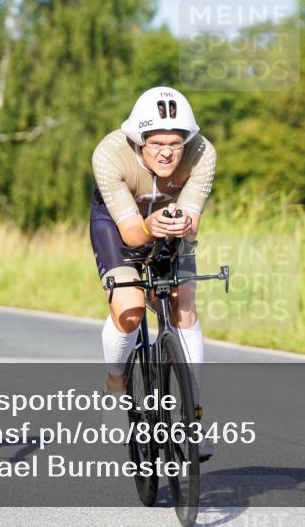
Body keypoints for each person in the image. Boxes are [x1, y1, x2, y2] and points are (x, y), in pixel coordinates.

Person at [90, 86, 217, 461]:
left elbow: (191, 223)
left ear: (186, 141)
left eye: (175, 144)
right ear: (139, 140)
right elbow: (132, 233)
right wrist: (149, 226)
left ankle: (192, 416)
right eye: (157, 143)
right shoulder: (109, 153)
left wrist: (181, 226)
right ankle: (116, 383)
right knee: (129, 309)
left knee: (184, 305)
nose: (166, 153)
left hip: (170, 223)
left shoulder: (202, 152)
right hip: (119, 223)